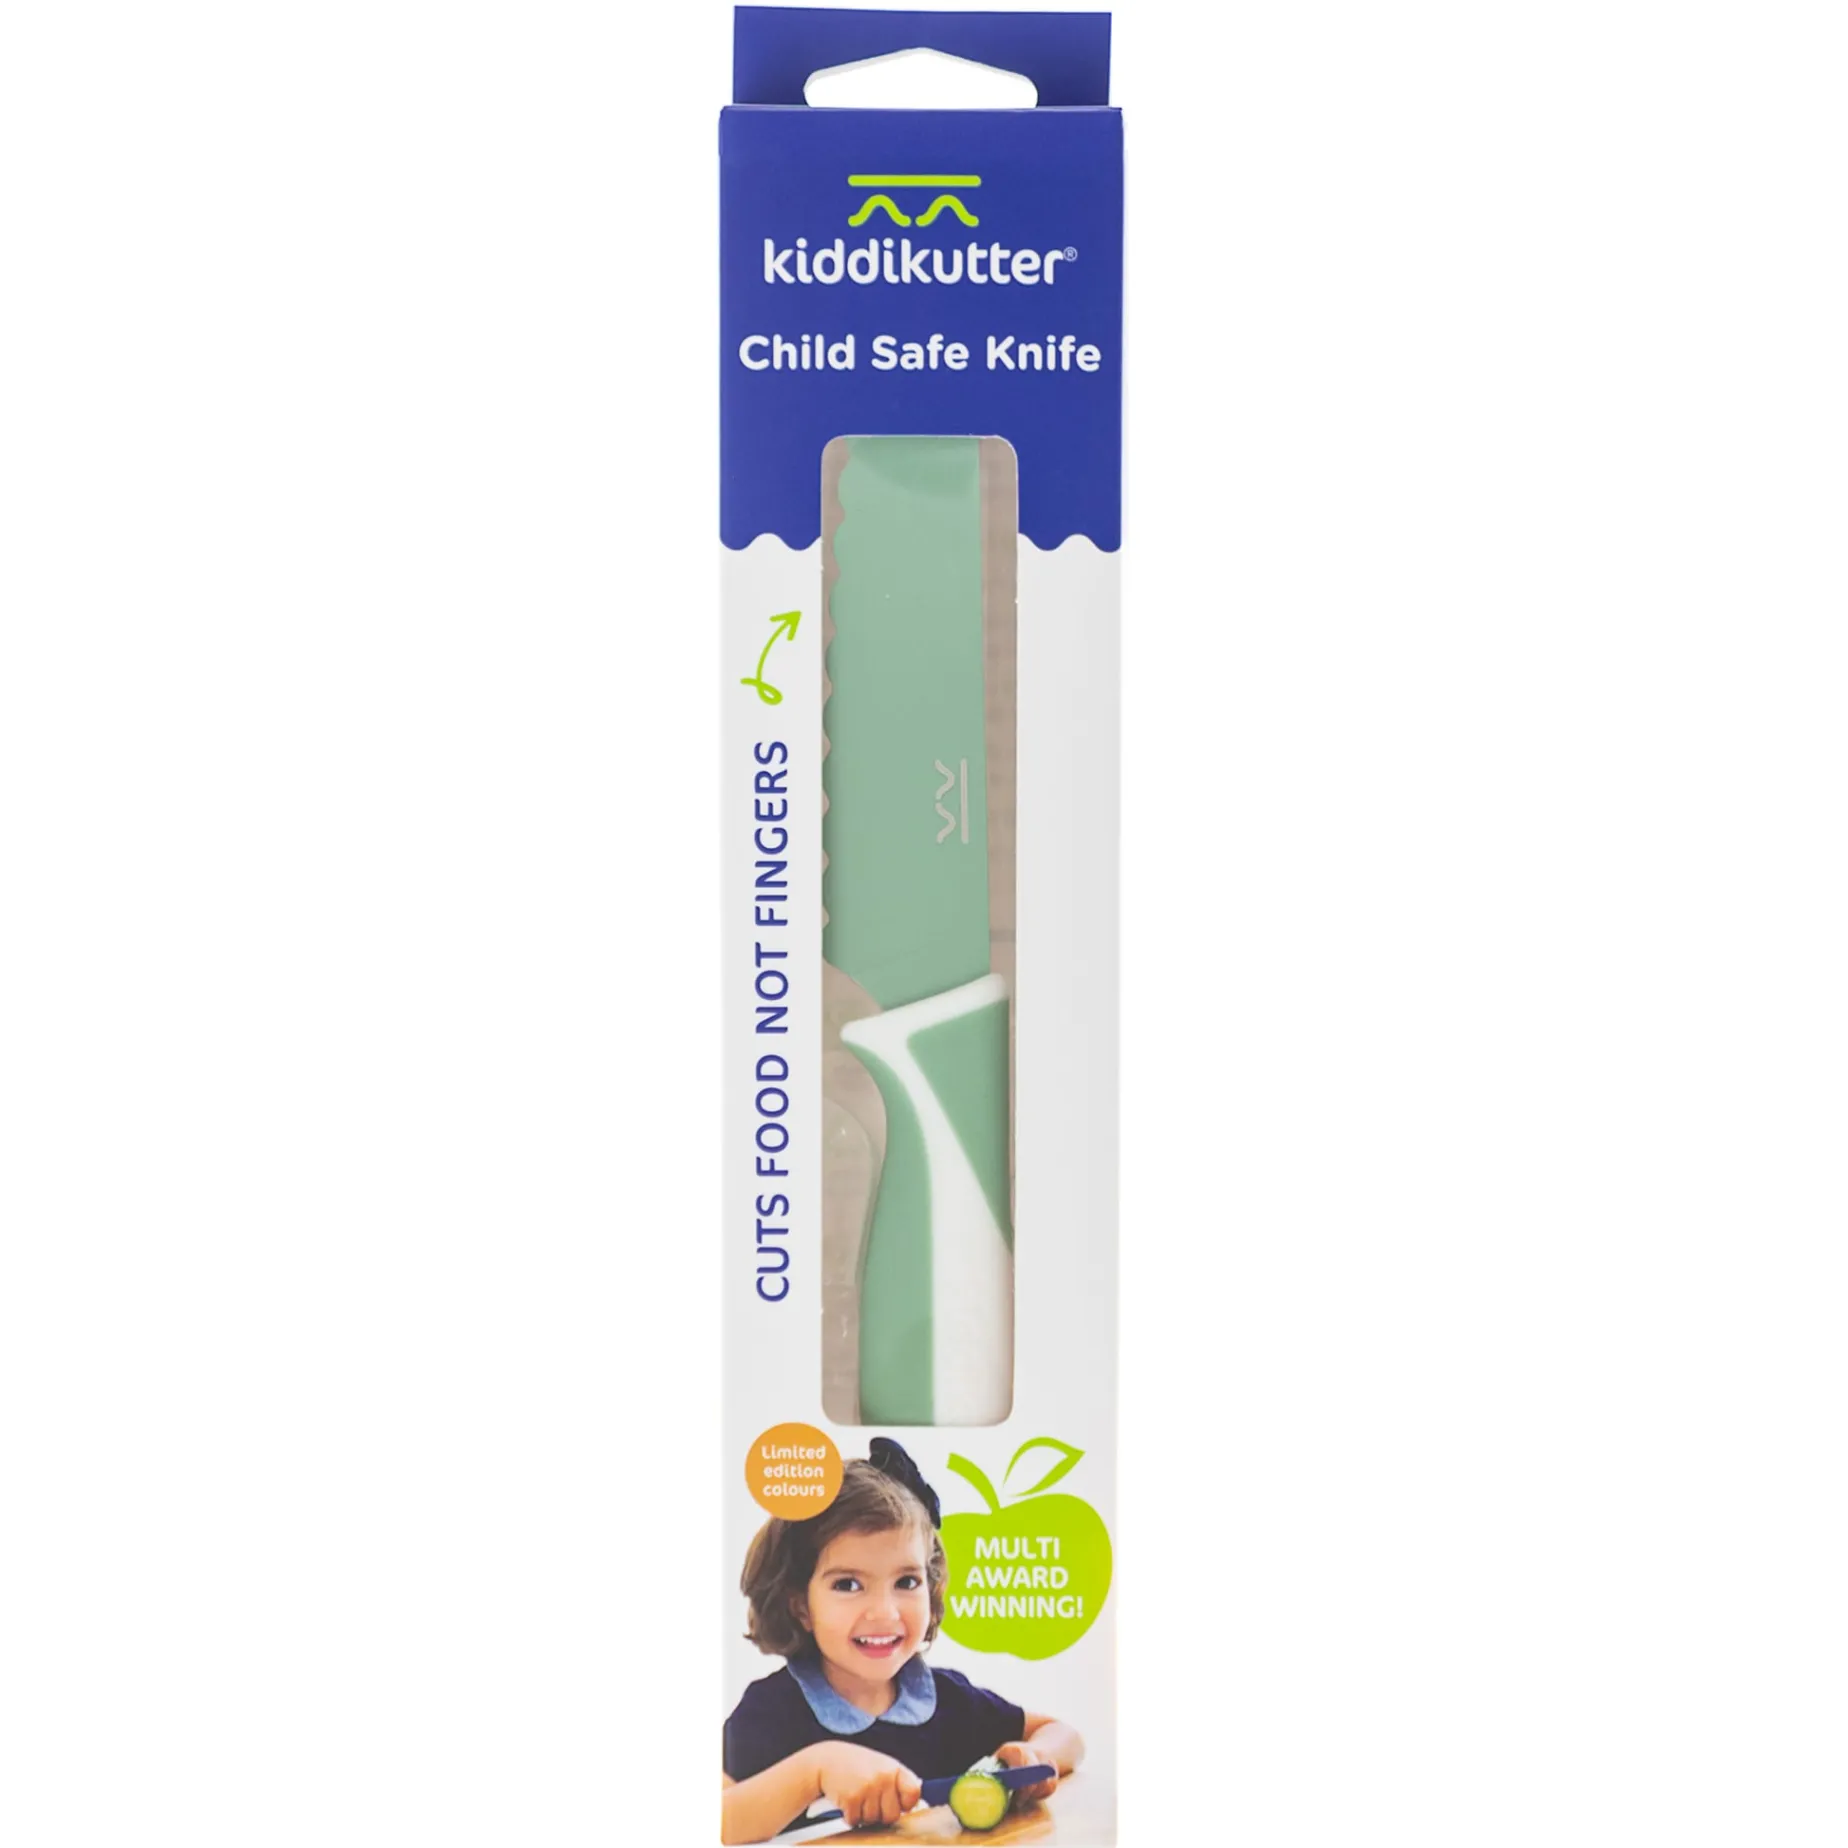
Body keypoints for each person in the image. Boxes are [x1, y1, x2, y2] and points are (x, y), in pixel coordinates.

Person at [722, 1438, 1084, 1843]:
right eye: (848, 1584)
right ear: (801, 1607)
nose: (885, 1613)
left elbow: (1064, 1734)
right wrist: (817, 1768)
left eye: (906, 1582)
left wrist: (1033, 1756)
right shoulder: (772, 1711)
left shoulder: (950, 1701)